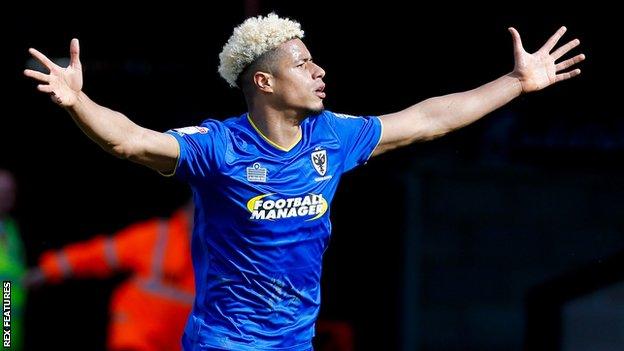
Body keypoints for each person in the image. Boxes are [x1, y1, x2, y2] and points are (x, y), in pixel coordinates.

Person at [24, 13, 584, 351]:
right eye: (303, 63)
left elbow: (427, 119)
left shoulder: (332, 137)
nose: (318, 71)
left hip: (295, 340)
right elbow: (131, 140)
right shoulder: (219, 147)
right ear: (264, 82)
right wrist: (80, 101)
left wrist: (515, 81)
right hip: (228, 344)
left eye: (315, 61)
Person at [25, 203, 195, 351]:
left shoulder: (217, 253)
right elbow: (99, 255)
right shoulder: (157, 236)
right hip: (136, 336)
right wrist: (48, 269)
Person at [0, 169, 27, 350]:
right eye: (2, 192)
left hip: (10, 327)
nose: (6, 197)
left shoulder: (11, 228)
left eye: (10, 192)